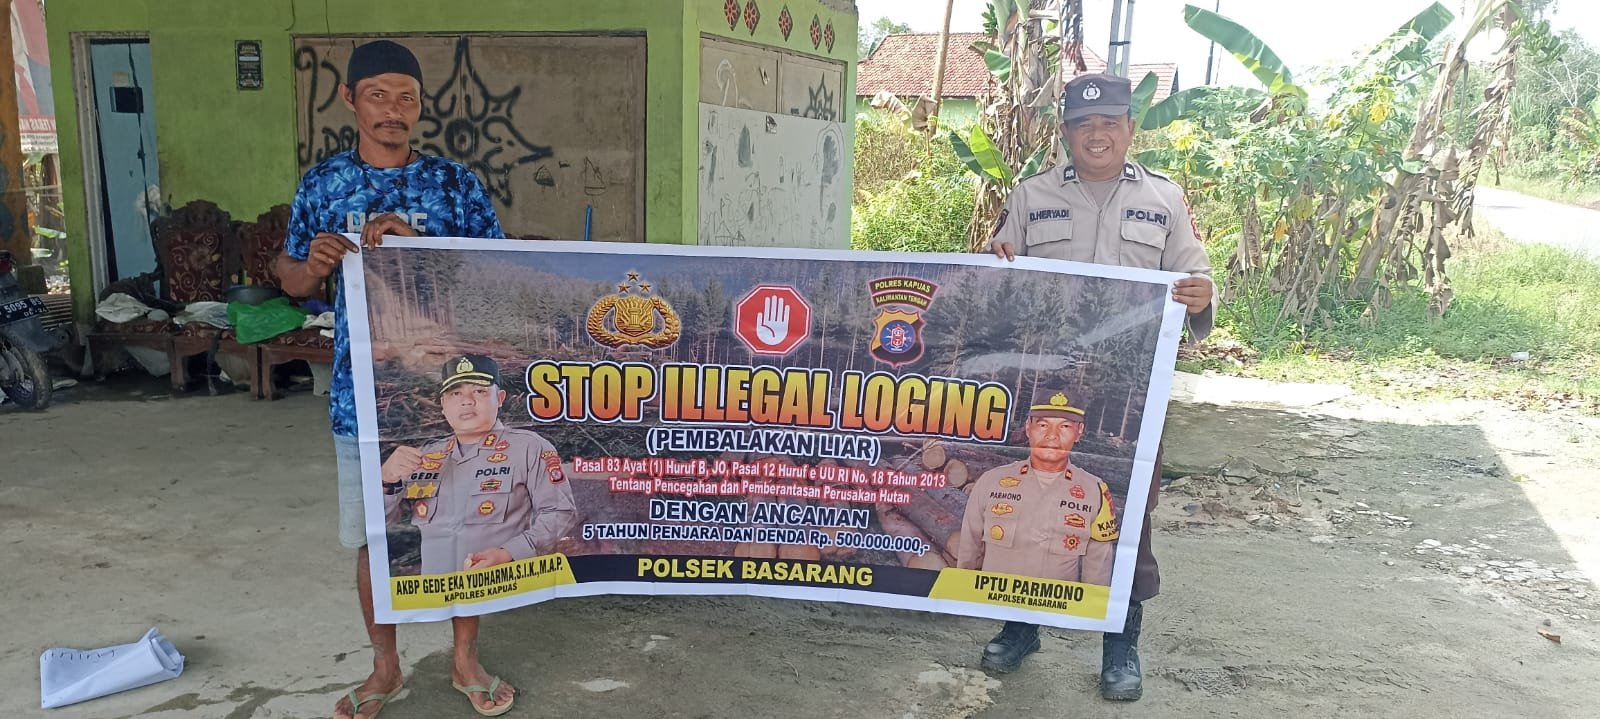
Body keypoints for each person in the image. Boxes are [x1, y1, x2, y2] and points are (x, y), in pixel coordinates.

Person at [272, 40, 512, 719]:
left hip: (452, 396)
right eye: (378, 95)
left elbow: (494, 273)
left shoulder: (453, 184)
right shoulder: (324, 185)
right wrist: (311, 267)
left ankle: (465, 660)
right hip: (362, 399)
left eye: (407, 97)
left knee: (461, 531)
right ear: (349, 99)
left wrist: (420, 250)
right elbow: (288, 277)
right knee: (374, 538)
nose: (393, 110)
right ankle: (385, 668)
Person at [986, 72, 1217, 702]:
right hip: (1045, 384)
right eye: (1083, 124)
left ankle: (1120, 645)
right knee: (1028, 501)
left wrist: (1202, 295)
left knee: (1126, 512)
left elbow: (1195, 276)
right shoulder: (1032, 196)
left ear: (1129, 129)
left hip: (1129, 390)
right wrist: (995, 261)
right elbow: (999, 275)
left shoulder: (1165, 199)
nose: (1097, 135)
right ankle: (1020, 627)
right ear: (1065, 132)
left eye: (1109, 123)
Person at [382, 355, 578, 575]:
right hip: (436, 588)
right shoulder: (424, 456)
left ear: (500, 398)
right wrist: (386, 481)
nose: (467, 400)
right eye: (456, 393)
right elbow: (382, 525)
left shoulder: (528, 447)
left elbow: (560, 512)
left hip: (503, 583)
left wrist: (510, 553)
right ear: (443, 404)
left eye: (479, 390)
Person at [955, 390, 1117, 589]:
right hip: (992, 601)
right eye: (1042, 425)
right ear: (1028, 427)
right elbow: (969, 551)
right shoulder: (991, 482)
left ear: (1079, 431)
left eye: (1065, 426)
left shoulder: (1095, 491)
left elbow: (1098, 569)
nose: (1052, 436)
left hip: (1056, 606)